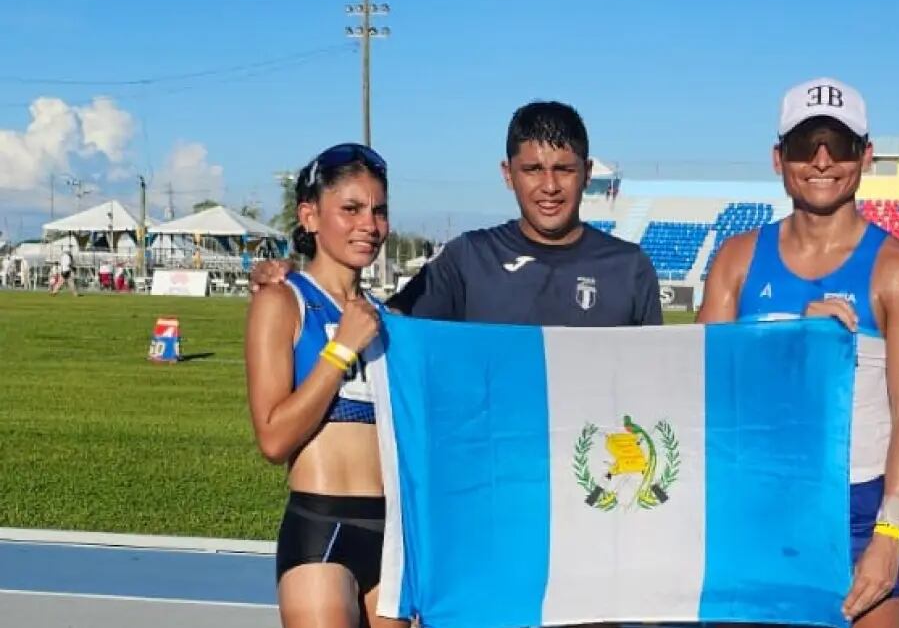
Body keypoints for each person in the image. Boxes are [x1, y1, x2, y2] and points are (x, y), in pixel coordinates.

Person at [698, 77, 899, 628]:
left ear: (866, 156)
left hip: (856, 514)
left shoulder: (898, 271)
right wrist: (788, 341)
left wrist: (889, 536)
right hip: (755, 503)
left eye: (841, 145)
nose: (822, 161)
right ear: (779, 158)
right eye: (806, 145)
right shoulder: (735, 261)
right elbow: (704, 392)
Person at [254, 101, 662, 328]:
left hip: (588, 478)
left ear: (587, 174)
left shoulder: (629, 268)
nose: (550, 187)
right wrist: (292, 283)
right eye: (533, 170)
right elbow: (369, 322)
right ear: (508, 174)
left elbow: (659, 386)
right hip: (494, 477)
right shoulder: (468, 259)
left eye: (565, 170)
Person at [244, 142, 407, 628]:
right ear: (310, 216)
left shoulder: (389, 317)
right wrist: (340, 351)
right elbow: (273, 439)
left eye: (378, 211)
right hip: (322, 527)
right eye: (351, 209)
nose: (369, 225)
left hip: (393, 533)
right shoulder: (281, 301)